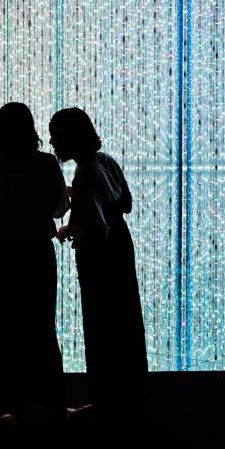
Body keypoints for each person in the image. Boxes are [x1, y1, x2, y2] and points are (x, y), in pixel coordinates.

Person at [0, 102, 69, 425]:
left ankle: (4, 404)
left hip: (2, 255)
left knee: (0, 329)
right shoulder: (47, 164)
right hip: (37, 254)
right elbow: (58, 208)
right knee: (39, 326)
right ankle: (46, 400)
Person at [51, 107, 148, 420]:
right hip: (122, 244)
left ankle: (105, 402)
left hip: (100, 258)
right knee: (125, 322)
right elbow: (126, 204)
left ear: (68, 139)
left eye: (56, 136)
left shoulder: (84, 175)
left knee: (101, 326)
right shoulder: (106, 161)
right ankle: (129, 398)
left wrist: (65, 229)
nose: (52, 142)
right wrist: (79, 198)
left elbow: (93, 229)